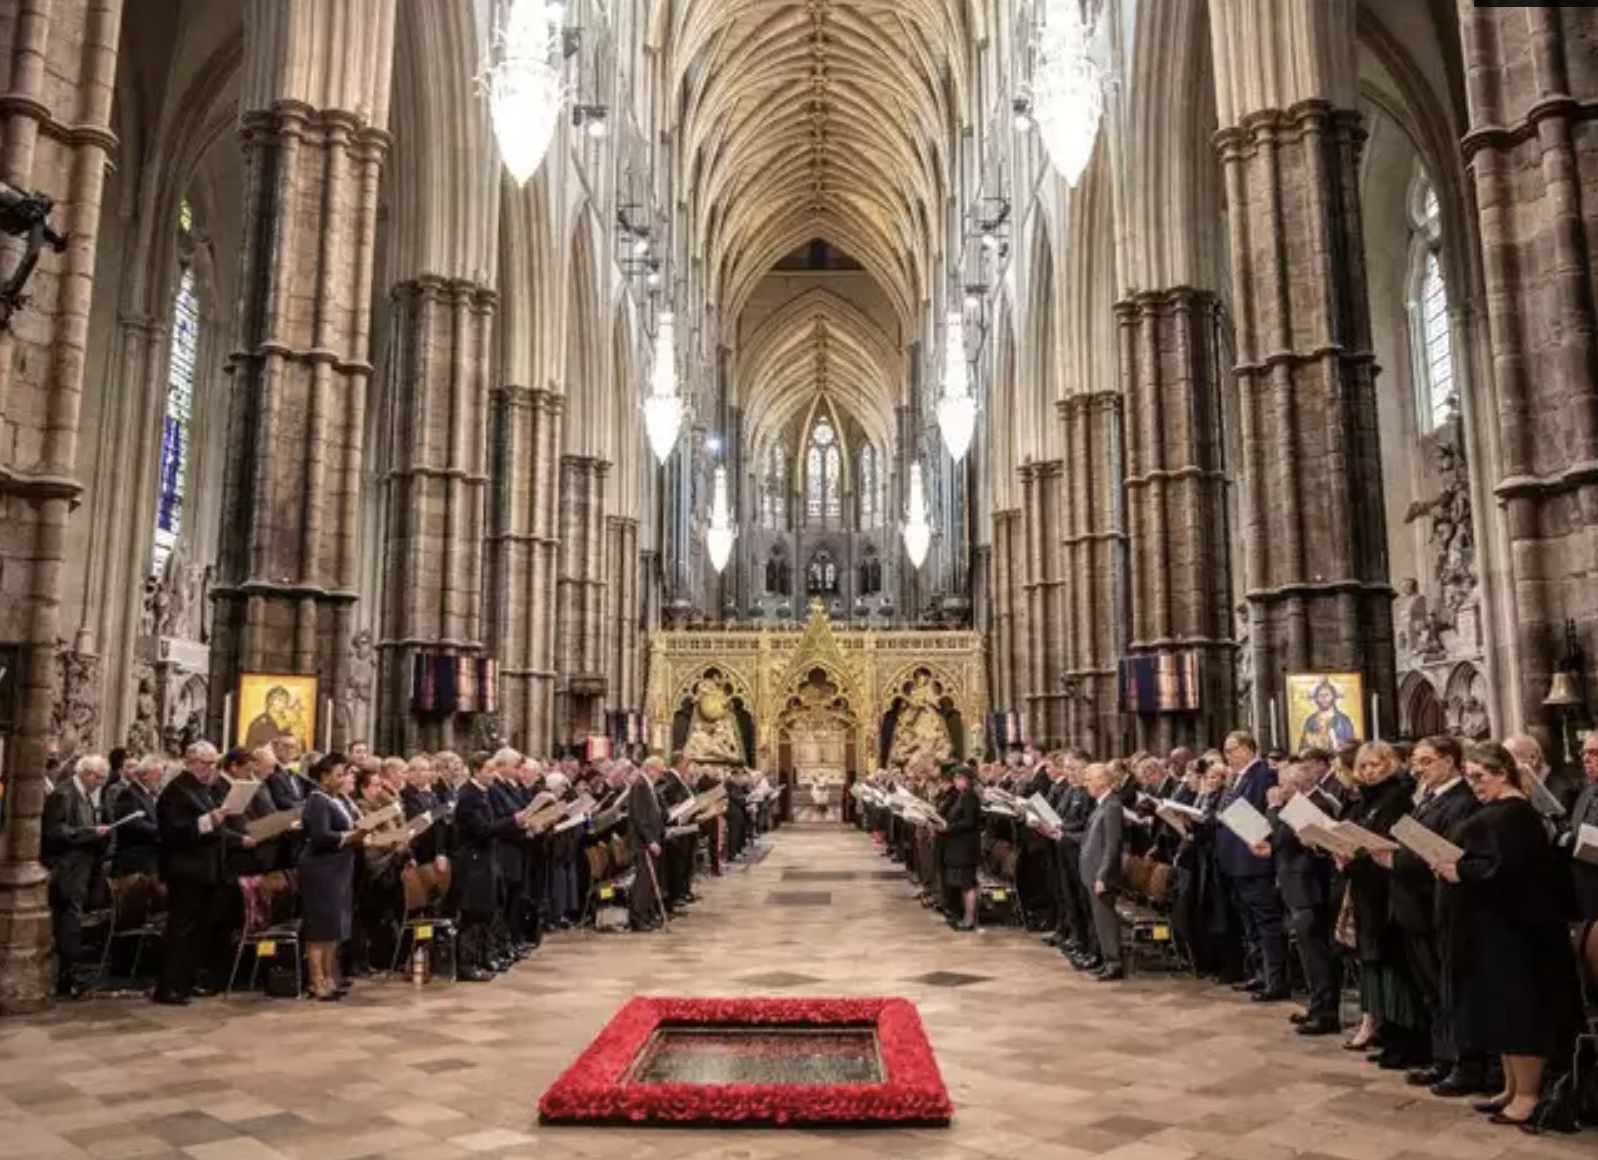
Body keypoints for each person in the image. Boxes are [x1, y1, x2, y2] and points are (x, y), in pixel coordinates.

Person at [1437, 741, 1586, 1128]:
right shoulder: (1500, 812)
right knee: (1500, 1010)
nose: (1474, 785)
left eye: (1479, 777)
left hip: (1516, 933)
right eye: (1469, 778)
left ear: (1502, 772)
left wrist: (1461, 871)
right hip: (1495, 930)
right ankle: (1510, 1086)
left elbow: (1507, 872)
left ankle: (1528, 1094)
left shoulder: (1513, 815)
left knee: (1519, 1011)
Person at [1384, 736, 1480, 1093]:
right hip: (1414, 906)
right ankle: (1442, 1058)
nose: (1418, 769)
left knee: (1447, 988)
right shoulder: (1429, 799)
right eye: (1416, 762)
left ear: (1450, 762)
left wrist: (1397, 858)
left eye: (1426, 762)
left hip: (1433, 904)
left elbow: (1449, 853)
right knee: (1430, 990)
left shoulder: (1461, 802)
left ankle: (1464, 1063)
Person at [1339, 740, 1426, 1067]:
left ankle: (1406, 1040)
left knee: (1395, 965)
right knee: (1375, 962)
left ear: (1391, 762)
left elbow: (1395, 842)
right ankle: (1387, 1032)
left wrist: (1359, 854)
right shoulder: (1366, 799)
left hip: (1389, 890)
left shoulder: (1399, 797)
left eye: (1376, 764)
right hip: (1367, 889)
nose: (1369, 771)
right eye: (1363, 766)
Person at [154, 742, 248, 1005]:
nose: (211, 769)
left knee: (200, 929)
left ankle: (187, 980)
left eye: (214, 763)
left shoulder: (203, 790)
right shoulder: (176, 791)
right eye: (207, 763)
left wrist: (229, 831)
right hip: (186, 870)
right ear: (191, 762)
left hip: (207, 869)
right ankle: (169, 986)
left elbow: (216, 827)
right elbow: (173, 832)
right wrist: (210, 821)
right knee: (181, 928)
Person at [1254, 762, 1341, 1036]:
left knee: (1317, 951)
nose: (1279, 789)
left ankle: (1326, 1012)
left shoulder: (1316, 804)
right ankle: (1317, 1007)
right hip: (1296, 885)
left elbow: (1284, 837)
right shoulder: (1300, 804)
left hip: (1311, 889)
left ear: (1297, 785)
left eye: (1283, 784)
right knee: (1308, 951)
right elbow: (1279, 841)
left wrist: (1274, 807)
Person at [1216, 731, 1289, 1001]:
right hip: (1238, 863)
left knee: (1266, 924)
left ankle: (1275, 980)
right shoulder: (1240, 776)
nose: (1228, 756)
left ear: (1248, 748)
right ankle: (1260, 974)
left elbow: (1263, 817)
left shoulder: (1262, 775)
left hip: (1254, 862)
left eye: (1232, 750)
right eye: (1226, 751)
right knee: (1251, 925)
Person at [41, 754, 113, 998]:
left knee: (72, 926)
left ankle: (69, 977)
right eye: (99, 778)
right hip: (66, 871)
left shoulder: (84, 796)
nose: (101, 783)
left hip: (81, 871)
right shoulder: (63, 794)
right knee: (68, 926)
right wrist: (91, 832)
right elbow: (54, 831)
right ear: (86, 773)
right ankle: (65, 979)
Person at [299, 753, 364, 1001]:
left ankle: (329, 975)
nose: (343, 779)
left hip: (338, 868)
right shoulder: (317, 801)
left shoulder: (337, 800)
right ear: (324, 777)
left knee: (334, 926)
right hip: (321, 869)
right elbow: (320, 836)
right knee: (320, 926)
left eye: (344, 774)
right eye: (338, 775)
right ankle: (316, 981)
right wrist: (349, 837)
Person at [1078, 763, 1125, 981]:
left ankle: (1114, 964)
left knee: (1106, 919)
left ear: (1102, 781)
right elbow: (1090, 839)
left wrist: (1103, 876)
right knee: (1100, 919)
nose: (1085, 783)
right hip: (1092, 870)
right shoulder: (1101, 804)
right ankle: (1107, 960)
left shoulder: (1112, 805)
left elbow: (1112, 845)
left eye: (1089, 779)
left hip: (1100, 873)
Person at [107, 755, 165, 878]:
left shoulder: (147, 794)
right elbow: (134, 823)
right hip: (134, 862)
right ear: (145, 775)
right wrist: (162, 831)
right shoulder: (129, 793)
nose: (160, 780)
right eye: (158, 776)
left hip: (147, 858)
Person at [941, 764, 982, 931]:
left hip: (966, 846)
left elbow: (969, 821)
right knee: (963, 883)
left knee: (967, 883)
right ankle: (966, 916)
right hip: (959, 845)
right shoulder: (962, 795)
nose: (955, 781)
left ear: (967, 779)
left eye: (959, 778)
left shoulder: (970, 796)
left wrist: (948, 827)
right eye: (955, 778)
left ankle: (969, 919)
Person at [628, 758, 667, 931]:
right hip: (643, 842)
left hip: (653, 839)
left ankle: (648, 914)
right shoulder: (639, 786)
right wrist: (650, 840)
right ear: (650, 769)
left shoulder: (649, 785)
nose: (660, 775)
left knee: (650, 881)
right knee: (643, 881)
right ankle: (638, 918)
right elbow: (640, 817)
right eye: (659, 771)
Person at [1298, 679, 1357, 751]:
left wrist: (1337, 743)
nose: (1323, 698)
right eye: (1320, 695)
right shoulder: (1311, 720)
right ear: (1316, 698)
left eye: (1327, 695)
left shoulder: (1343, 720)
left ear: (1334, 697)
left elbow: (1352, 746)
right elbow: (1303, 747)